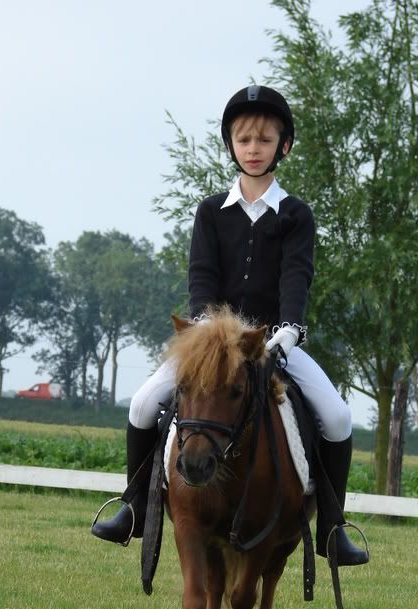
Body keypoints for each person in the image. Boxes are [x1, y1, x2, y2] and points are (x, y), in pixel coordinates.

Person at [92, 84, 368, 567]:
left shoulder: (295, 214)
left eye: (264, 140)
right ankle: (133, 507)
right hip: (211, 345)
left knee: (339, 418)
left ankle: (332, 529)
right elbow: (202, 275)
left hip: (271, 342)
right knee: (142, 403)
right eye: (244, 140)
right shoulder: (209, 212)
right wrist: (202, 329)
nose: (254, 149)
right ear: (231, 146)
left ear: (283, 146)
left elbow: (296, 277)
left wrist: (288, 330)